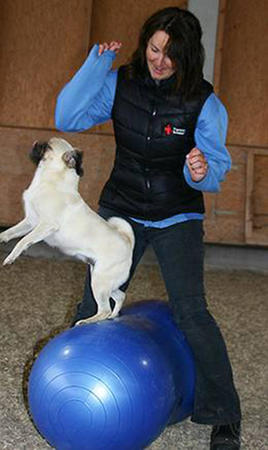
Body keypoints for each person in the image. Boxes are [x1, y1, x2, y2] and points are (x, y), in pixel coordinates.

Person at [55, 7, 241, 449]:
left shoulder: (204, 102)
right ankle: (72, 396)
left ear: (187, 57)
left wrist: (200, 169)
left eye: (170, 55)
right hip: (122, 213)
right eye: (155, 49)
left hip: (177, 214)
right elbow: (67, 117)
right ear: (146, 45)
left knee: (192, 314)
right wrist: (95, 64)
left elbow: (215, 171)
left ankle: (225, 416)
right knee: (94, 305)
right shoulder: (120, 82)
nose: (159, 61)